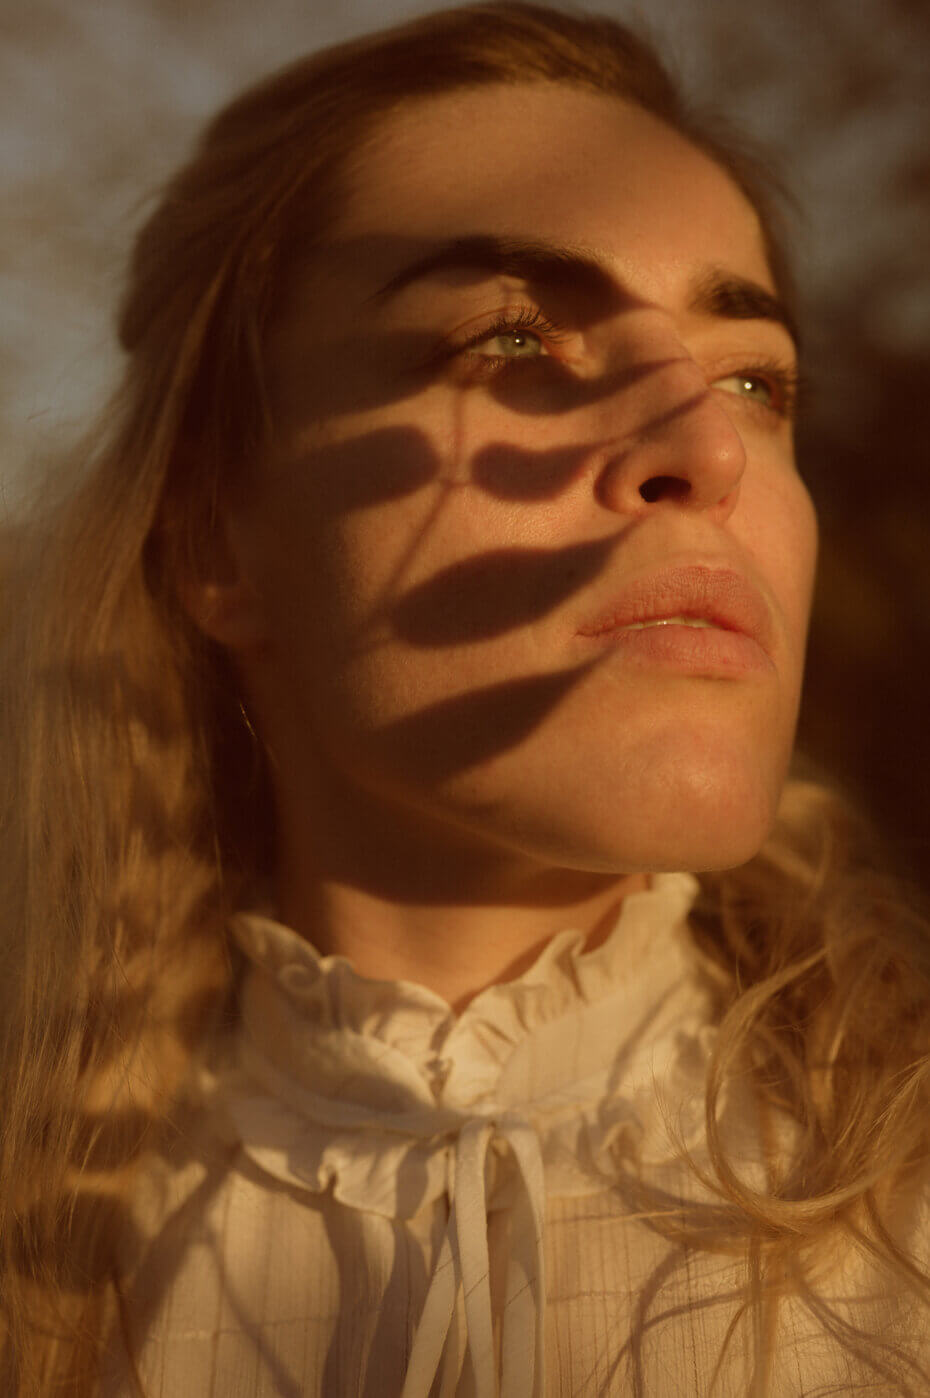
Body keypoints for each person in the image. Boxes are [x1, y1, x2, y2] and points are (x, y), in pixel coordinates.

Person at [2, 2, 929, 1394]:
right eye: (512, 344)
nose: (707, 446)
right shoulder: (52, 1278)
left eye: (754, 378)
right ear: (215, 542)